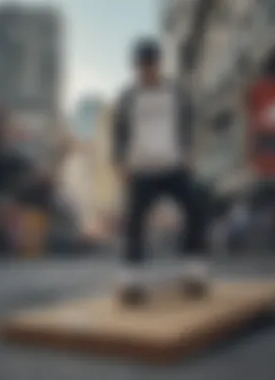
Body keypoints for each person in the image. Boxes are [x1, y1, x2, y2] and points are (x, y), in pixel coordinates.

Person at [112, 37, 209, 306]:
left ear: (158, 63)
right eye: (141, 67)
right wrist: (119, 162)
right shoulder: (128, 97)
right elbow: (119, 132)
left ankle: (194, 275)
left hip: (174, 166)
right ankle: (130, 282)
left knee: (195, 210)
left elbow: (188, 121)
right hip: (141, 168)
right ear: (136, 67)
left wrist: (189, 152)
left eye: (150, 65)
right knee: (133, 222)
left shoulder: (176, 92)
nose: (146, 71)